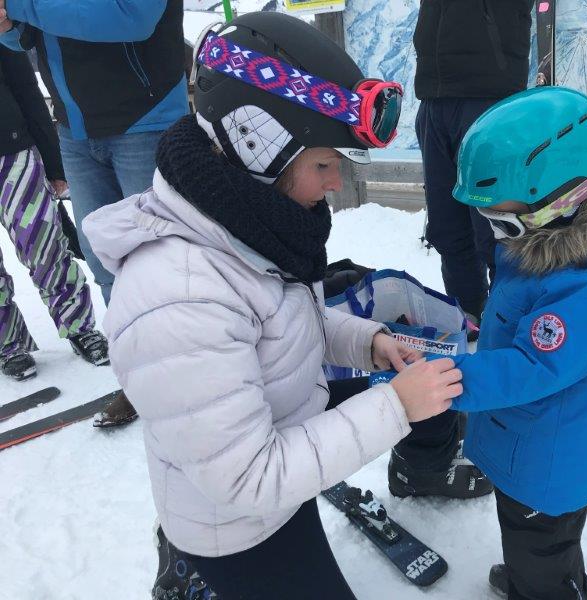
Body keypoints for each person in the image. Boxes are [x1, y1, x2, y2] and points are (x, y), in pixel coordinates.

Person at [82, 13, 465, 599]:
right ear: (256, 142)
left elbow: (283, 319)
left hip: (277, 441)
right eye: (323, 163)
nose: (336, 182)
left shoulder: (250, 224)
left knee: (433, 396)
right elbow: (248, 479)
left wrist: (368, 341)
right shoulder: (181, 294)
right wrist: (392, 406)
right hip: (237, 519)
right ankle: (192, 571)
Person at [448, 86, 587, 599]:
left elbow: (529, 368)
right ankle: (534, 579)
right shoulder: (548, 253)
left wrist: (441, 380)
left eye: (502, 219)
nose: (496, 233)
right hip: (528, 445)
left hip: (548, 464)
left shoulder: (586, 292)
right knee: (530, 543)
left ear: (560, 202)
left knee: (544, 550)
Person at [0, 0, 188, 424]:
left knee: (165, 265)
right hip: (76, 131)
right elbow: (27, 39)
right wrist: (9, 25)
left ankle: (186, 378)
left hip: (146, 122)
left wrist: (22, 7)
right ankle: (140, 380)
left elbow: (132, 17)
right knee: (107, 265)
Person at [413, 0, 534, 328]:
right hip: (433, 95)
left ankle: (508, 321)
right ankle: (468, 314)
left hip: (490, 95)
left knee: (497, 227)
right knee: (447, 228)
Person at [0, 45, 108, 380]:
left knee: (45, 249)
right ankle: (8, 345)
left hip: (12, 151)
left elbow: (25, 88)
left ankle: (79, 326)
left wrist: (53, 162)